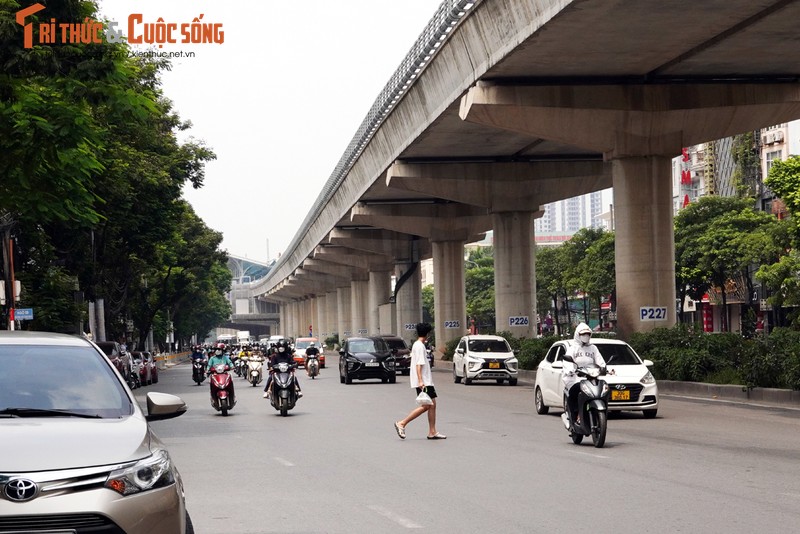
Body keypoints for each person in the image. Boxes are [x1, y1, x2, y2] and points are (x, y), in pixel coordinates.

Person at [394, 322, 445, 440]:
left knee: (432, 405)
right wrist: (421, 381)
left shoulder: (417, 345)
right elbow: (419, 365)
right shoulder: (420, 346)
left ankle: (432, 431)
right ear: (428, 334)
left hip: (425, 380)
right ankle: (402, 423)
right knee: (427, 405)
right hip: (424, 381)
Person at [561, 322, 607, 429]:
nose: (585, 336)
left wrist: (604, 368)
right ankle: (576, 415)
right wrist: (571, 369)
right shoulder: (573, 349)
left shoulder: (593, 348)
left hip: (590, 377)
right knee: (576, 391)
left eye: (587, 334)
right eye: (583, 334)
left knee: (602, 389)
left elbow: (600, 361)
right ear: (578, 335)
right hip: (575, 378)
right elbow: (567, 362)